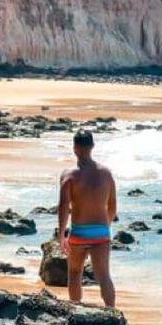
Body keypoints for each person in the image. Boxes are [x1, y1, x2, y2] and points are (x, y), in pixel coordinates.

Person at [57, 129, 117, 307]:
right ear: (92, 146)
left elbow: (63, 207)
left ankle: (75, 308)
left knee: (75, 273)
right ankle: (112, 311)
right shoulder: (106, 174)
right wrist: (105, 226)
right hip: (101, 232)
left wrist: (61, 235)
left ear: (75, 148)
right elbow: (112, 205)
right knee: (104, 276)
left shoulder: (69, 175)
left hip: (79, 232)